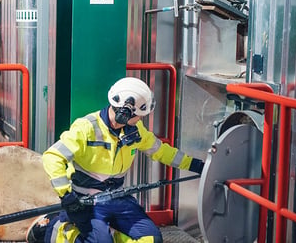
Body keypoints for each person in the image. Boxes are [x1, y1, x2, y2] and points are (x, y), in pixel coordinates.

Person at [26, 77, 204, 243]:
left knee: (152, 239)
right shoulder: (86, 128)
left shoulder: (135, 131)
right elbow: (53, 156)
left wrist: (196, 165)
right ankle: (56, 228)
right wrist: (66, 195)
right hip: (85, 202)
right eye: (140, 114)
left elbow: (161, 151)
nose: (141, 118)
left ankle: (114, 235)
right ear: (125, 113)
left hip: (117, 197)